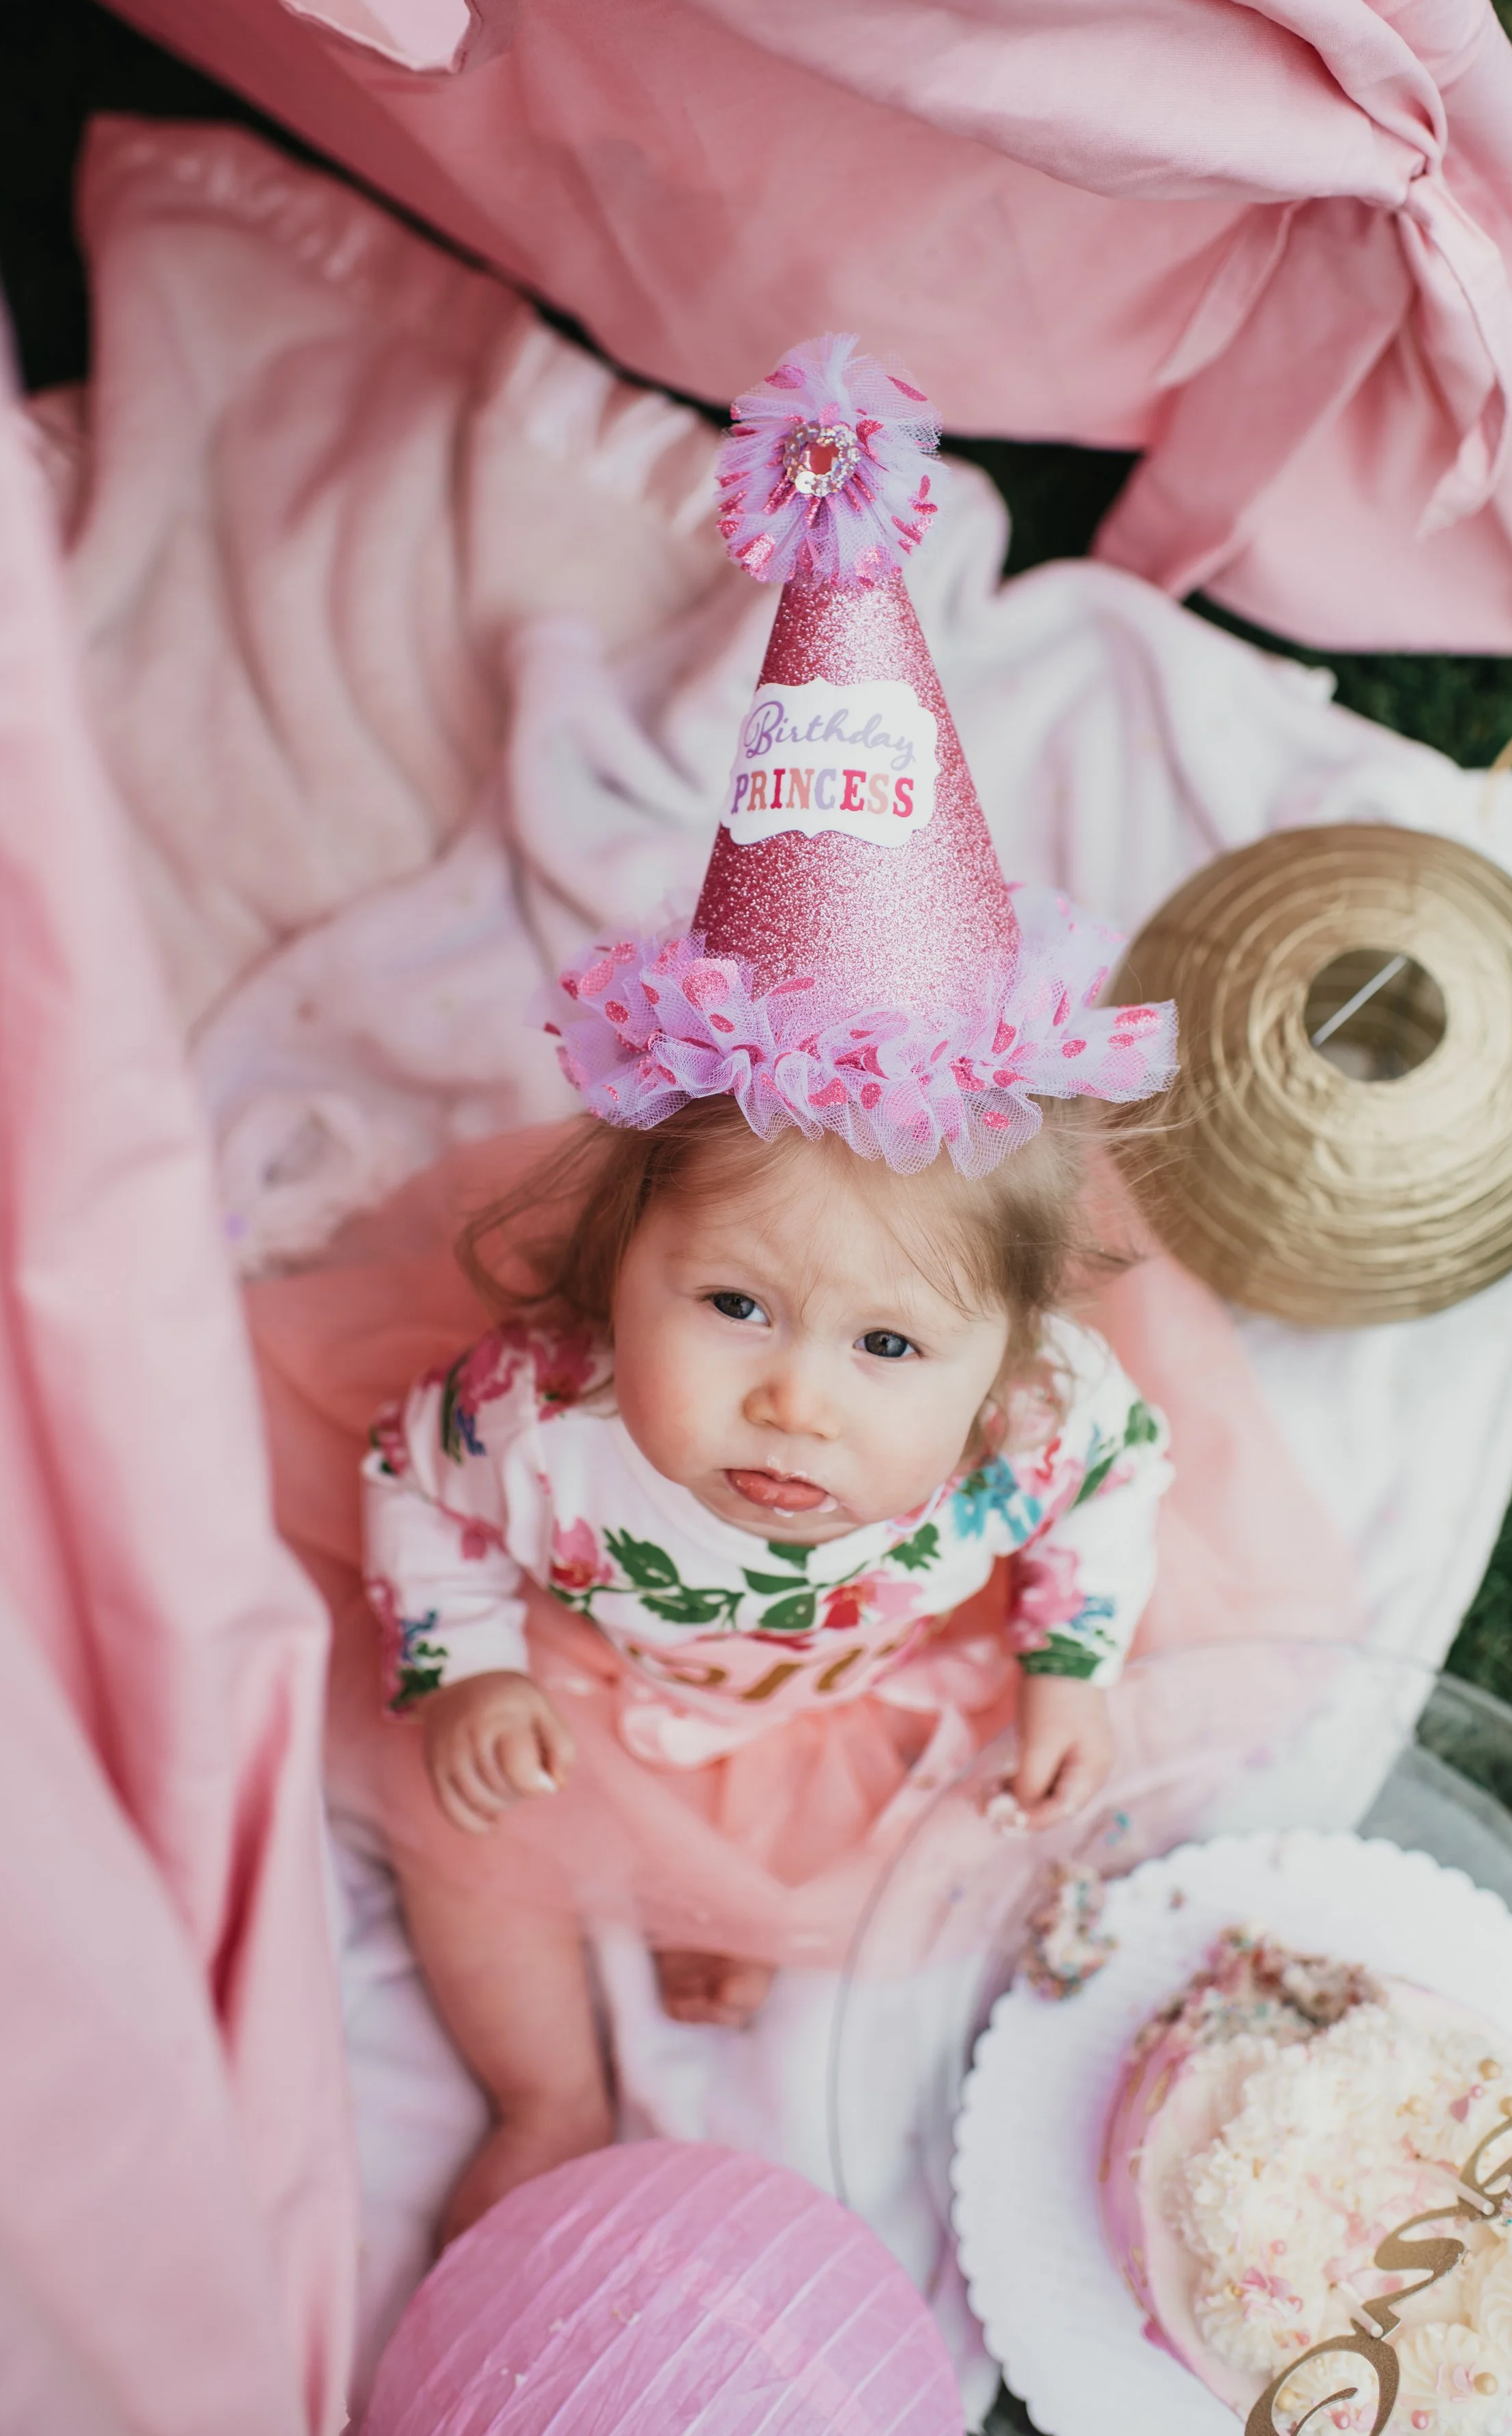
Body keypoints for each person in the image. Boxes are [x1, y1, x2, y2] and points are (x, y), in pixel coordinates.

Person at [361, 336, 1178, 2236]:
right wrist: (468, 1667)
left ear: (994, 1358)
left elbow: (1125, 1475)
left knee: (882, 1857)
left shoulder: (1030, 1426)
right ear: (619, 1262)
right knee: (460, 1831)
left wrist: (1067, 1656)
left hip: (834, 1699)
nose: (797, 1398)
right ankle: (546, 2090)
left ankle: (713, 1912)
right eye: (732, 1307)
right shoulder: (535, 1411)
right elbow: (408, 1480)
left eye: (888, 1344)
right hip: (597, 1675)